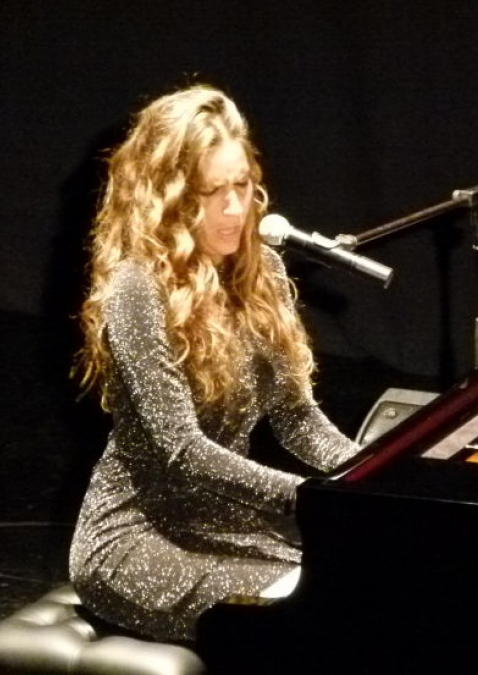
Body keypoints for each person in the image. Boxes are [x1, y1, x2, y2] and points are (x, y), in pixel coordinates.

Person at [67, 83, 362, 643]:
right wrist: (309, 499)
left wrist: (374, 476)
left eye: (243, 186)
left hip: (226, 520)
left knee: (372, 577)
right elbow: (182, 452)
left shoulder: (263, 272)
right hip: (138, 538)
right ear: (171, 197)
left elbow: (298, 419)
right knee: (316, 619)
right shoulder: (138, 288)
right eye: (211, 192)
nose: (234, 209)